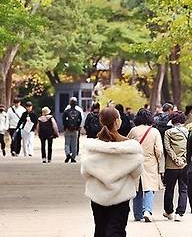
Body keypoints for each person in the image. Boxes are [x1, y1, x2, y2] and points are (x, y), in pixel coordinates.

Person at [81, 107, 144, 237]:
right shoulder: (130, 147)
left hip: (97, 196)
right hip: (121, 196)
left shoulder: (92, 148)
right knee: (117, 230)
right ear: (117, 122)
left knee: (100, 229)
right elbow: (137, 172)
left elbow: (85, 172)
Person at [127, 108, 164, 223]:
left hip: (135, 162)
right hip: (150, 163)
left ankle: (138, 214)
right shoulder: (154, 132)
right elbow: (159, 150)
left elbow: (127, 146)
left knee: (137, 188)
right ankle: (147, 211)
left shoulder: (133, 131)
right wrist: (159, 162)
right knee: (149, 188)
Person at [162, 111, 189, 222]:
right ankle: (180, 213)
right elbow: (190, 147)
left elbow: (167, 148)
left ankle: (169, 212)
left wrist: (175, 159)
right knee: (183, 189)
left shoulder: (168, 132)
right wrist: (183, 158)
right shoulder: (188, 131)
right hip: (184, 165)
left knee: (169, 189)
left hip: (171, 166)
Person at [62, 97, 83, 163]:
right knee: (74, 144)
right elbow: (80, 120)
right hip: (75, 130)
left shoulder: (66, 111)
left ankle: (68, 154)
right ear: (76, 103)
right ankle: (73, 157)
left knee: (67, 143)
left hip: (67, 130)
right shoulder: (78, 111)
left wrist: (65, 127)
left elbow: (63, 120)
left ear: (70, 103)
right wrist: (78, 127)